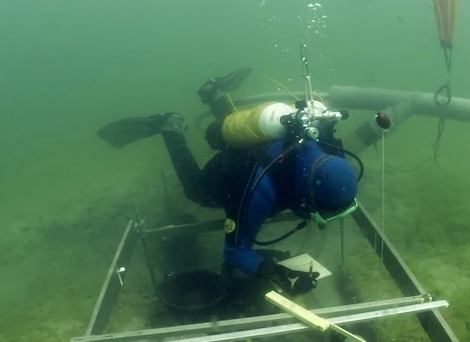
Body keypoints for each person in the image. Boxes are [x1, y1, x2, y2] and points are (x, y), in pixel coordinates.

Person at [97, 69, 361, 295]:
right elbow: (234, 252)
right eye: (320, 213)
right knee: (195, 190)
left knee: (237, 132)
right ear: (308, 196)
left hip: (269, 145)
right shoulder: (259, 191)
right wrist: (274, 270)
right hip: (237, 169)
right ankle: (171, 127)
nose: (316, 218)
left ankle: (214, 95)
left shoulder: (327, 148)